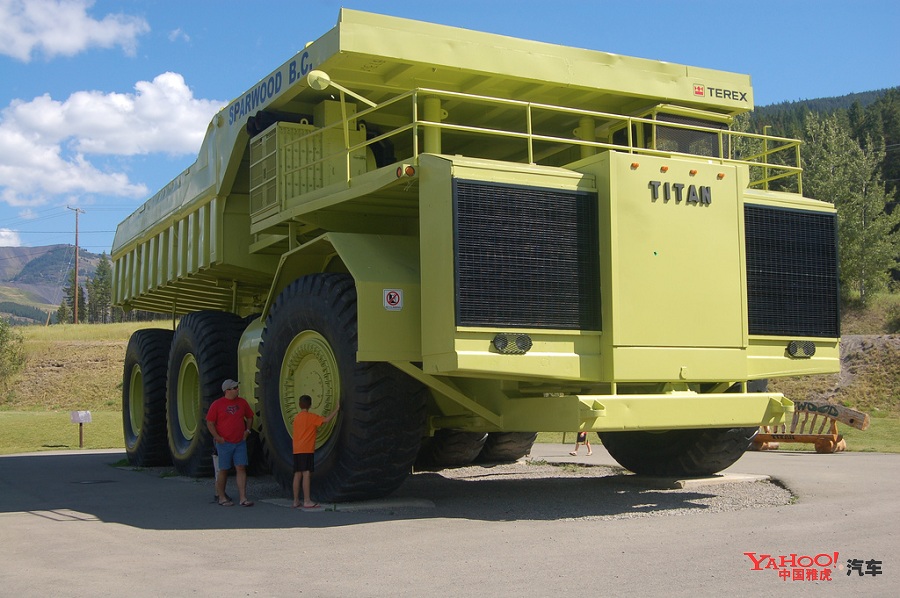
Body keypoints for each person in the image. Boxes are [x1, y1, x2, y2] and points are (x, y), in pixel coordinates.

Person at [206, 379, 255, 507]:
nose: (237, 389)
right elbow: (210, 422)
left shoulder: (242, 402)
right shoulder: (217, 404)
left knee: (241, 467)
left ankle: (243, 498)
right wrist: (217, 437)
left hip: (240, 442)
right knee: (223, 470)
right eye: (234, 388)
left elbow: (250, 416)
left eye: (237, 387)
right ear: (227, 391)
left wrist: (247, 431)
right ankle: (221, 497)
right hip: (224, 443)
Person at [292, 394, 340, 509]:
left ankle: (295, 501)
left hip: (297, 449)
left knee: (297, 474)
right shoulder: (311, 417)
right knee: (306, 474)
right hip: (306, 449)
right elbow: (326, 420)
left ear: (299, 405)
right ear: (310, 405)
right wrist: (336, 410)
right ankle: (307, 500)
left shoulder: (297, 418)